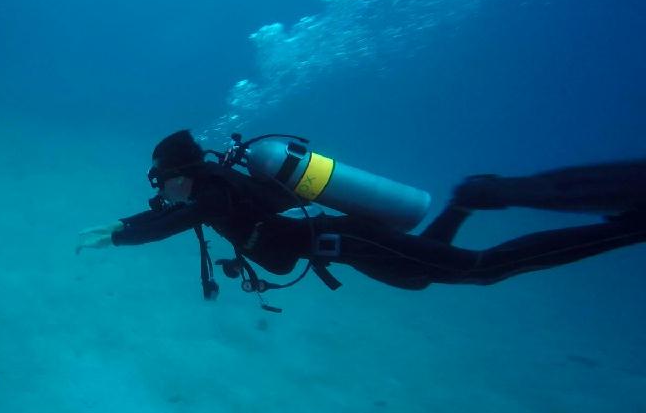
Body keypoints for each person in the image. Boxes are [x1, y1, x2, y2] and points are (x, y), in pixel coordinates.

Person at [77, 130, 646, 306]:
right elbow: (175, 213)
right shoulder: (210, 186)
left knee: (480, 269)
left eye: (159, 180)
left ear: (181, 171)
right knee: (422, 275)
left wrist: (123, 234)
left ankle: (626, 229)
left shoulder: (213, 190)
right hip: (339, 243)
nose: (160, 191)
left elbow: (185, 217)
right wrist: (131, 221)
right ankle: (467, 202)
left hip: (340, 240)